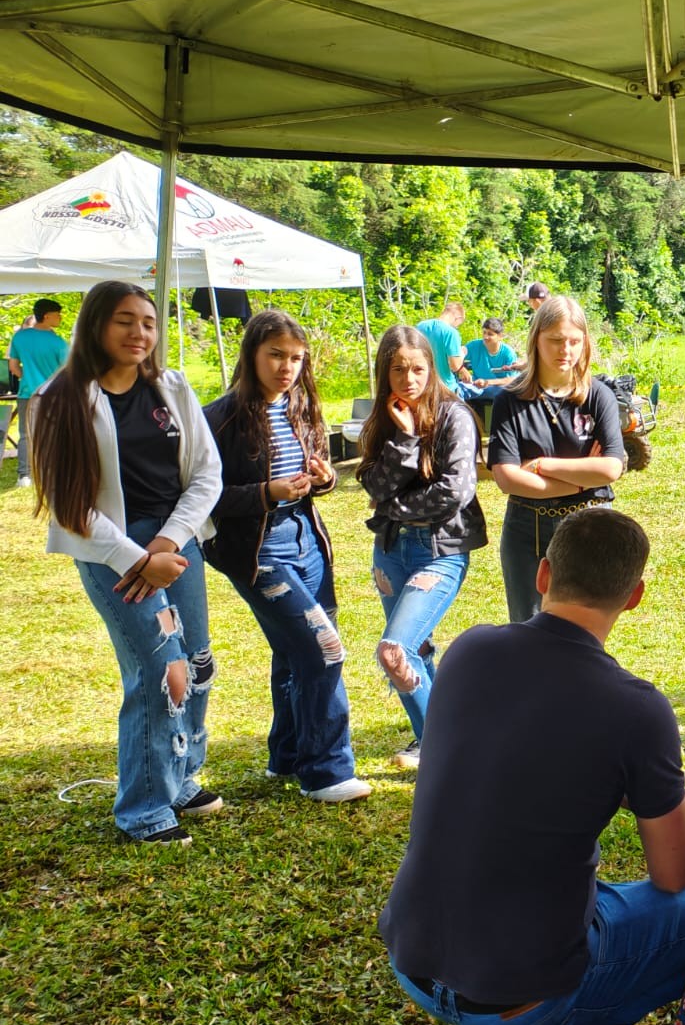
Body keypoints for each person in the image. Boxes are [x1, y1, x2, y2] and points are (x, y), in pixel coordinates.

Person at [380, 507, 685, 1025]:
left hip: (412, 963)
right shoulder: (638, 710)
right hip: (527, 997)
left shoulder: (469, 649)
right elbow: (675, 875)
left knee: (568, 885)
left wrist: (615, 784)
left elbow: (506, 755)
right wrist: (683, 820)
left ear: (542, 573)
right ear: (634, 596)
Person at [29, 281, 222, 845]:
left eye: (149, 322)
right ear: (94, 325)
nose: (140, 333)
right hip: (113, 553)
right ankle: (142, 809)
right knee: (164, 673)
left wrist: (169, 542)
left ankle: (180, 776)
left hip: (175, 542)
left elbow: (206, 473)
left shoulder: (172, 387)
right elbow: (70, 505)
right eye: (124, 321)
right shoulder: (58, 400)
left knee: (199, 663)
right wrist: (138, 559)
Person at [203, 311, 372, 803]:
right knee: (323, 649)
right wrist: (265, 492)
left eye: (296, 358)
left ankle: (289, 755)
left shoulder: (303, 406)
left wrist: (324, 479)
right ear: (252, 353)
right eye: (276, 355)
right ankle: (327, 773)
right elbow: (203, 496)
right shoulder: (221, 416)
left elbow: (321, 472)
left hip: (308, 540)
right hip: (257, 550)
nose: (287, 367)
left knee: (293, 653)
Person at [357, 324, 487, 770]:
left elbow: (455, 493)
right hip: (391, 551)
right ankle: (434, 738)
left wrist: (394, 505)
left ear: (431, 368)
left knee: (395, 651)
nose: (408, 379)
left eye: (417, 369)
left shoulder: (456, 417)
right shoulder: (384, 420)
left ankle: (442, 751)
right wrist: (406, 440)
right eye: (397, 370)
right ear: (384, 372)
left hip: (441, 550)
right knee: (418, 648)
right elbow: (371, 483)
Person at [489, 296, 625, 622]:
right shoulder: (511, 400)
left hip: (590, 527)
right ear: (536, 339)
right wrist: (582, 481)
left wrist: (541, 465)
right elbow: (507, 477)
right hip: (527, 530)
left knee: (585, 628)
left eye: (574, 341)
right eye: (555, 340)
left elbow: (610, 467)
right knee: (528, 628)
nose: (565, 350)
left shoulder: (598, 396)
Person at [9, 298, 70, 488]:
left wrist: (26, 378)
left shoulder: (20, 337)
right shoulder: (59, 343)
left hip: (27, 393)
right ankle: (53, 471)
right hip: (53, 395)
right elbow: (66, 372)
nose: (60, 317)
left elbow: (13, 367)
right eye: (57, 314)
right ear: (46, 316)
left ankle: (24, 476)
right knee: (55, 433)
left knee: (26, 434)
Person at [415, 302, 470, 395]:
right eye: (458, 325)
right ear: (458, 318)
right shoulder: (451, 333)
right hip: (446, 387)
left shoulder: (420, 326)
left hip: (424, 385)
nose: (456, 327)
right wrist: (462, 353)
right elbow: (455, 365)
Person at [463, 316, 520, 398]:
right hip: (475, 386)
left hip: (497, 388)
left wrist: (487, 382)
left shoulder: (508, 353)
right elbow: (458, 355)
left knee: (507, 393)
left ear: (500, 336)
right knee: (457, 389)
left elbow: (512, 379)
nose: (485, 337)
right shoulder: (474, 345)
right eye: (484, 332)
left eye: (490, 334)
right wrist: (462, 369)